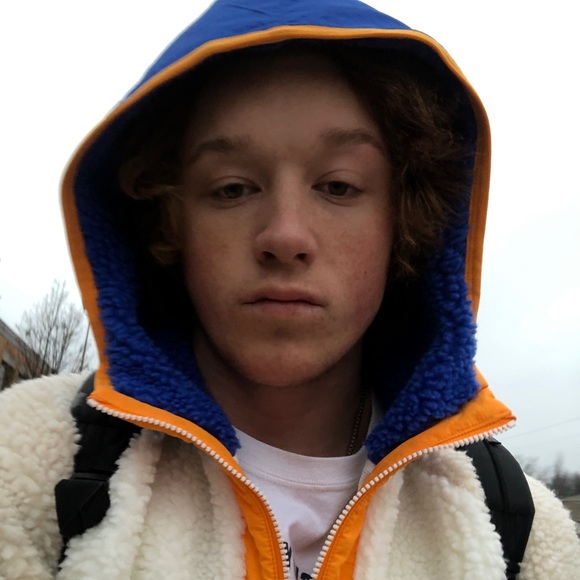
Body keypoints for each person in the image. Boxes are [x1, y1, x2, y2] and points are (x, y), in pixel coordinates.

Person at [1, 0, 579, 578]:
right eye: (232, 189)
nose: (284, 235)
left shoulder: (518, 528)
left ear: (404, 222)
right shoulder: (25, 465)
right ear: (169, 223)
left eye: (338, 186)